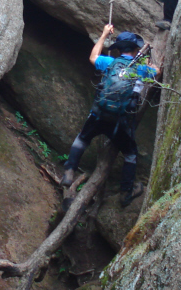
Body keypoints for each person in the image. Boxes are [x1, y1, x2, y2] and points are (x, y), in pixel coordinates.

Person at [60, 25, 160, 207]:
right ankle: (125, 193)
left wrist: (104, 34)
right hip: (119, 121)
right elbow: (157, 72)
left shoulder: (110, 63)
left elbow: (93, 56)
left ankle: (68, 172)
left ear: (119, 49)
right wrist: (146, 62)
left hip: (99, 114)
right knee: (130, 154)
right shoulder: (139, 69)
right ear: (136, 49)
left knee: (82, 139)